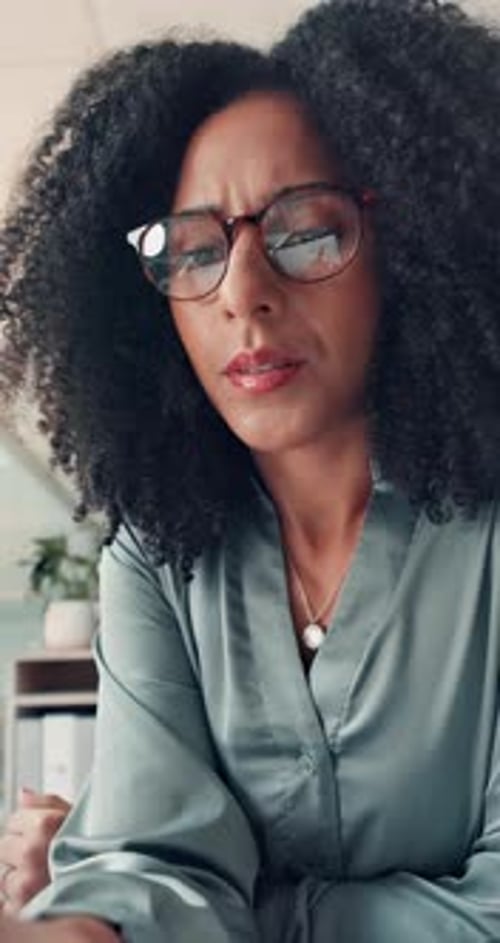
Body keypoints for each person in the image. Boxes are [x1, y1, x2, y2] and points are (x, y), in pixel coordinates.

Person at [1, 0, 500, 939]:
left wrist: (251, 911)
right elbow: (146, 871)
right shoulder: (158, 557)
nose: (242, 294)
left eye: (306, 231)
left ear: (412, 244)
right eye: (191, 251)